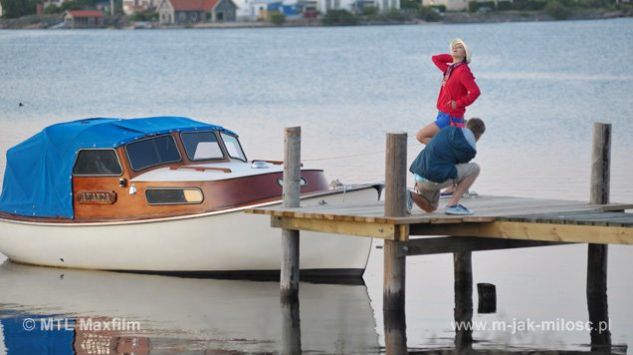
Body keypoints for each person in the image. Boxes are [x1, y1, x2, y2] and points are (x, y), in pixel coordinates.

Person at [409, 118, 486, 215]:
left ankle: (408, 194)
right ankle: (452, 205)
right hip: (433, 179)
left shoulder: (448, 129)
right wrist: (462, 189)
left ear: (466, 126)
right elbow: (460, 171)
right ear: (479, 136)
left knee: (431, 207)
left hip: (419, 176)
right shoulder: (469, 149)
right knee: (475, 169)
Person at [415, 39, 481, 145]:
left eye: (459, 47)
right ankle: (447, 152)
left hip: (451, 116)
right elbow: (435, 59)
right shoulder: (450, 69)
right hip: (442, 114)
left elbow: (475, 92)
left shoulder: (462, 71)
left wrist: (458, 103)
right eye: (454, 47)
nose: (455, 48)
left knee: (421, 136)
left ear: (465, 53)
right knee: (441, 141)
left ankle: (446, 152)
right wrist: (453, 58)